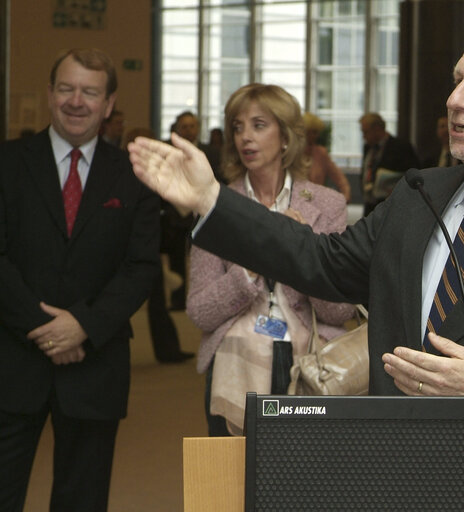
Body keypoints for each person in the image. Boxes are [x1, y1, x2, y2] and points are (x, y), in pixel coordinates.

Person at [129, 18, 464, 449]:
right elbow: (322, 262)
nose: (456, 100)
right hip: (382, 465)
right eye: (458, 79)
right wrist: (210, 201)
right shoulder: (420, 194)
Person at [0, 48, 159, 511]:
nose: (76, 101)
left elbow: (141, 267)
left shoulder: (135, 177)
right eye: (66, 89)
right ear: (50, 95)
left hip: (96, 365)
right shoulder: (8, 163)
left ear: (108, 104)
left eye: (89, 92)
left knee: (82, 501)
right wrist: (44, 328)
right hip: (12, 361)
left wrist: (83, 325)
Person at [184, 84, 355, 435]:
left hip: (311, 359)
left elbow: (340, 311)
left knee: (303, 485)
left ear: (286, 137)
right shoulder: (217, 207)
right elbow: (200, 312)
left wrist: (303, 249)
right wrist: (255, 263)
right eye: (238, 126)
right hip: (235, 358)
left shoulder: (326, 204)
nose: (245, 137)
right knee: (232, 484)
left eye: (259, 125)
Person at [124, 127, 193, 363]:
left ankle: (168, 350)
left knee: (156, 301)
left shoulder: (150, 170)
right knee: (151, 301)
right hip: (134, 245)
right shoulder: (125, 170)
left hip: (146, 244)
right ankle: (167, 350)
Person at [359, 112, 419, 215]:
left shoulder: (400, 147)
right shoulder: (368, 148)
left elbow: (413, 173)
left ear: (377, 129)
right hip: (370, 205)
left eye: (366, 132)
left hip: (391, 205)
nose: (364, 137)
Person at [303, 112, 351, 202]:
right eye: (313, 132)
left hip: (317, 204)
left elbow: (338, 176)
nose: (316, 136)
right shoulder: (292, 154)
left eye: (317, 132)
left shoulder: (321, 153)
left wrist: (346, 193)